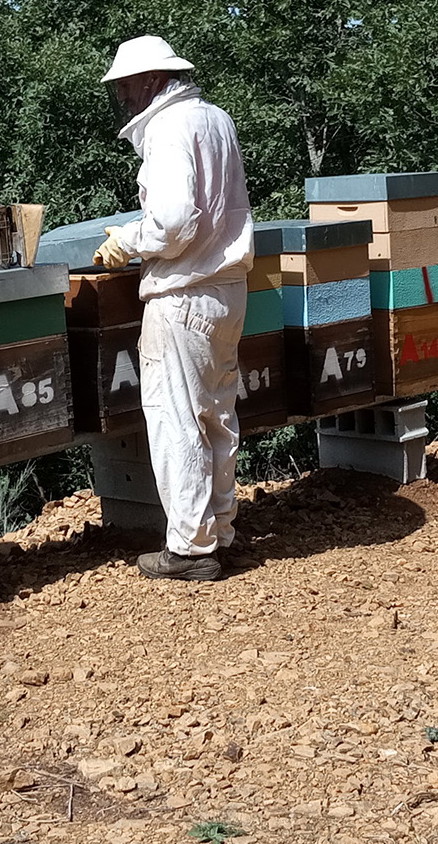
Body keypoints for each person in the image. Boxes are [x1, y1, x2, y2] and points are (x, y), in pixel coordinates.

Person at [92, 35, 255, 581]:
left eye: (125, 87)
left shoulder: (168, 129)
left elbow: (173, 221)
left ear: (148, 81)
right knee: (217, 415)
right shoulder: (215, 118)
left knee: (177, 419)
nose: (124, 98)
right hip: (227, 289)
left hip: (185, 292)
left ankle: (190, 549)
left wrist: (127, 240)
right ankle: (221, 528)